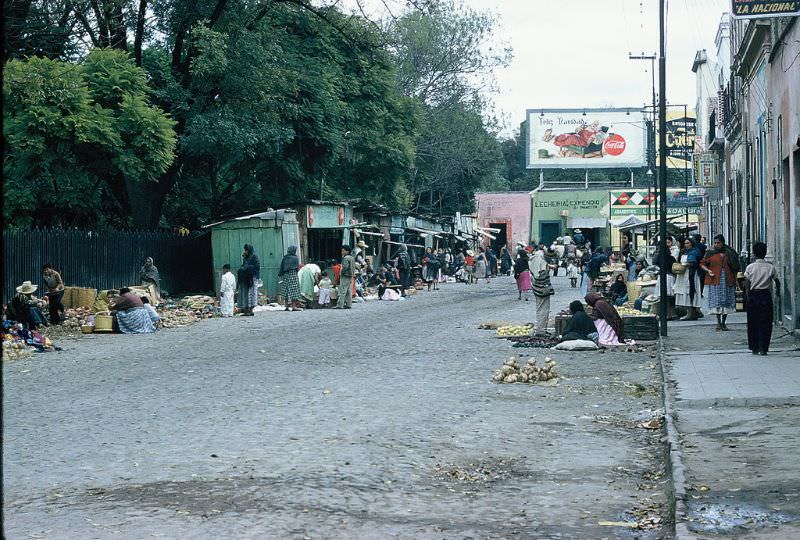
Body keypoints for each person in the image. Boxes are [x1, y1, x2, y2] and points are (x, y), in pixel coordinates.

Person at [744, 241, 780, 355]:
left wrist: (748, 294)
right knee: (765, 322)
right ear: (765, 253)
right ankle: (763, 348)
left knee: (753, 322)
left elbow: (746, 282)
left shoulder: (750, 267)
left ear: (754, 253)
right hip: (765, 295)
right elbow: (777, 281)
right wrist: (777, 293)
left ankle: (754, 347)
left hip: (753, 295)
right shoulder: (770, 267)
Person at [701, 234, 740, 331]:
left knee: (726, 301)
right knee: (717, 302)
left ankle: (724, 322)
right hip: (715, 281)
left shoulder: (730, 253)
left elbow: (735, 266)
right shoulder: (710, 253)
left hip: (728, 280)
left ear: (723, 243)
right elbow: (702, 263)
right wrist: (708, 270)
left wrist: (736, 280)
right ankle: (718, 322)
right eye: (715, 243)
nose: (716, 244)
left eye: (718, 243)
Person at [674, 237, 703, 321]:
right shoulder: (685, 252)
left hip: (690, 275)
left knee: (689, 292)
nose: (686, 245)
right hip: (683, 275)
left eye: (688, 243)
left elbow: (692, 263)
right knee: (684, 292)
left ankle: (691, 312)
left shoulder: (694, 252)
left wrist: (684, 265)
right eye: (685, 243)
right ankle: (690, 312)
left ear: (692, 244)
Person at [530, 248, 554, 333]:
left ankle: (542, 328)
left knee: (542, 308)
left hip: (537, 286)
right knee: (543, 309)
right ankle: (541, 330)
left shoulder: (537, 257)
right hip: (541, 288)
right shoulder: (540, 260)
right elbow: (540, 275)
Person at [652, 241, 677, 319]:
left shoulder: (658, 257)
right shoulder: (671, 257)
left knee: (663, 298)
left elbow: (654, 263)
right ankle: (669, 313)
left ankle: (666, 314)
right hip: (670, 277)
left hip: (663, 277)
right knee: (669, 298)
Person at [237, 244, 260, 316]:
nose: (245, 251)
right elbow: (243, 266)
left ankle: (251, 309)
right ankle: (246, 309)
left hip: (252, 277)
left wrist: (248, 267)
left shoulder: (254, 256)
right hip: (246, 277)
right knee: (245, 293)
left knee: (252, 293)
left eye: (246, 250)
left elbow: (257, 266)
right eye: (245, 250)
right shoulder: (246, 257)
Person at [279, 245, 303, 312]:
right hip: (293, 275)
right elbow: (297, 268)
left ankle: (286, 306)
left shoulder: (285, 258)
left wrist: (281, 275)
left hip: (286, 275)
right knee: (294, 291)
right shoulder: (295, 258)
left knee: (286, 290)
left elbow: (282, 267)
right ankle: (293, 306)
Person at [337, 245, 355, 309]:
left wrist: (342, 273)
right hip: (350, 276)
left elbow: (345, 267)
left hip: (345, 275)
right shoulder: (352, 258)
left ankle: (340, 305)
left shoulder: (345, 258)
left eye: (343, 251)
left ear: (347, 251)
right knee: (348, 290)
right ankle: (348, 304)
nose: (342, 252)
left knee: (342, 290)